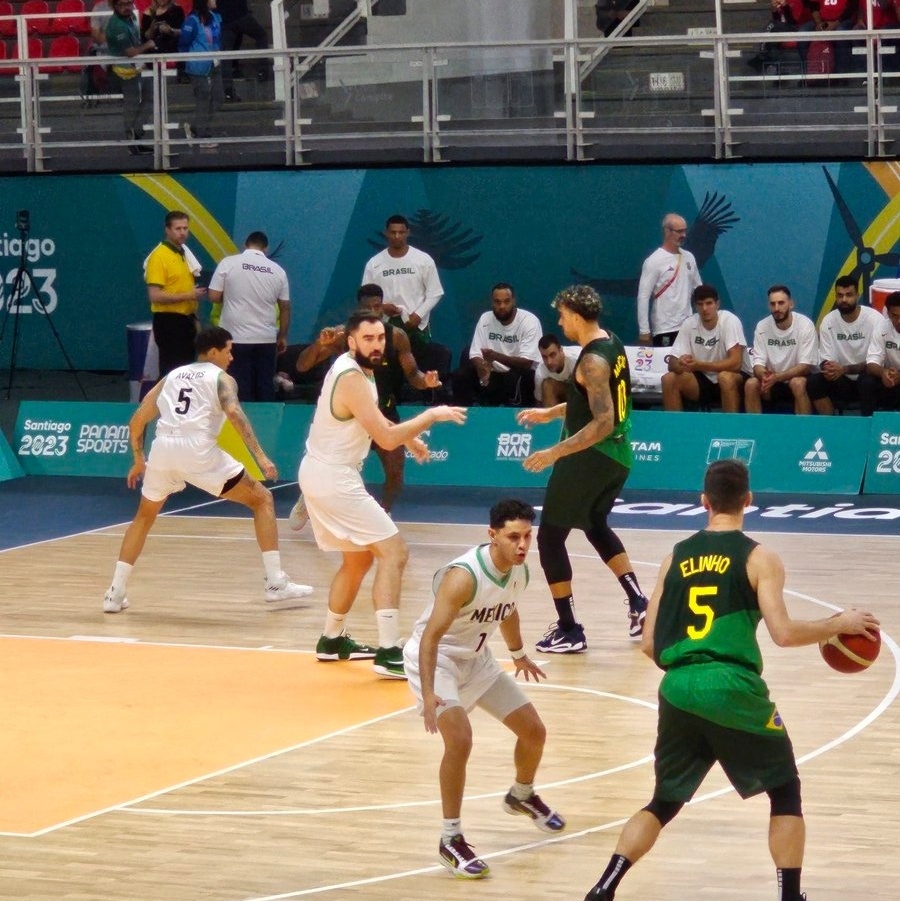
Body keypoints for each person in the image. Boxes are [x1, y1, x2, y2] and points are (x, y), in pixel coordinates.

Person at [582, 459, 880, 901]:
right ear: (748, 501)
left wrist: (689, 672)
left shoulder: (674, 556)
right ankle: (791, 897)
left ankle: (603, 888)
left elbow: (647, 644)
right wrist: (837, 624)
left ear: (703, 502)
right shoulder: (759, 556)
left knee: (663, 802)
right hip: (731, 686)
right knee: (785, 791)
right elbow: (784, 633)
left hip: (678, 686)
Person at [296, 310, 467, 679]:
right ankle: (390, 651)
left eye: (380, 339)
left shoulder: (359, 371)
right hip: (333, 476)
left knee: (357, 561)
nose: (376, 345)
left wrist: (412, 439)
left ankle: (331, 638)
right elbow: (385, 437)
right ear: (352, 340)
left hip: (324, 472)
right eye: (368, 339)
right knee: (394, 552)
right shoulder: (351, 377)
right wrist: (431, 416)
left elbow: (374, 422)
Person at [403, 498, 565, 880]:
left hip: (477, 660)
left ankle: (521, 795)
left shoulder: (520, 572)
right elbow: (429, 638)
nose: (523, 544)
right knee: (459, 740)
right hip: (437, 659)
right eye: (514, 537)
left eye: (528, 536)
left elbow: (506, 610)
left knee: (534, 731)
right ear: (492, 536)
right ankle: (450, 839)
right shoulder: (463, 576)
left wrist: (519, 654)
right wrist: (428, 694)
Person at [102, 327, 313, 614]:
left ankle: (114, 593)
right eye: (228, 350)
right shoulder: (221, 379)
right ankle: (275, 583)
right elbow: (235, 414)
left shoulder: (171, 377)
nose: (231, 356)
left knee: (143, 517)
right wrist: (261, 457)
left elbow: (137, 422)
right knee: (262, 499)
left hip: (163, 449)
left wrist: (139, 459)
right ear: (213, 351)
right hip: (197, 450)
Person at [516, 285, 650, 653]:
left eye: (562, 315)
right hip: (618, 458)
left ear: (575, 315)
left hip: (591, 457)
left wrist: (555, 452)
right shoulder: (612, 342)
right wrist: (551, 412)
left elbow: (602, 421)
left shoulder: (591, 361)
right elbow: (593, 400)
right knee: (594, 524)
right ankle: (639, 603)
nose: (560, 322)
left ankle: (569, 629)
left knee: (549, 538)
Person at [291, 284, 442, 513]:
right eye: (368, 306)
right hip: (350, 415)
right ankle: (309, 496)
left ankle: (384, 513)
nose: (373, 310)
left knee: (395, 470)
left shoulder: (397, 336)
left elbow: (413, 374)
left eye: (377, 306)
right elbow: (302, 366)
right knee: (332, 467)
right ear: (358, 309)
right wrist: (319, 345)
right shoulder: (343, 335)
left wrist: (426, 381)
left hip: (384, 411)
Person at [207, 231, 290, 402]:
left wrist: (232, 296)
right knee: (265, 387)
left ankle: (238, 426)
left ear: (245, 245)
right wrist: (282, 336)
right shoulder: (278, 271)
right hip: (266, 339)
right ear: (265, 249)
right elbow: (285, 307)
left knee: (237, 387)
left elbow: (214, 296)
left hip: (234, 339)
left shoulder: (228, 263)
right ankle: (266, 426)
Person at [361, 214, 444, 364]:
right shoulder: (374, 264)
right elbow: (365, 297)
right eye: (393, 232)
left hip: (416, 326)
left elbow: (435, 293)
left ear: (408, 233)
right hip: (385, 325)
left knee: (419, 371)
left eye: (401, 232)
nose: (397, 236)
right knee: (388, 372)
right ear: (386, 233)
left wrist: (418, 315)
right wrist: (383, 307)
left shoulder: (423, 260)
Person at [451, 282, 543, 407]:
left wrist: (495, 356)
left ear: (514, 301)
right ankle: (463, 418)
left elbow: (527, 363)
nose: (502, 306)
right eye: (497, 302)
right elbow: (475, 352)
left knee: (514, 378)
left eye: (506, 301)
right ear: (492, 302)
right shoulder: (485, 318)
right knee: (460, 376)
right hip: (493, 374)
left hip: (519, 375)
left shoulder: (529, 321)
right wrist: (482, 368)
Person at [661, 283, 747, 413]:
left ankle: (730, 430)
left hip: (736, 379)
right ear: (695, 306)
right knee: (669, 379)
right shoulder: (690, 323)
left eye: (709, 303)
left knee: (725, 377)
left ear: (717, 304)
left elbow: (736, 364)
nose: (705, 308)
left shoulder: (729, 320)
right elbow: (672, 363)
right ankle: (675, 430)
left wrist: (699, 365)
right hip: (703, 380)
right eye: (700, 304)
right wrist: (682, 363)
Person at [808, 275, 883, 415]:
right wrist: (829, 367)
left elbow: (877, 361)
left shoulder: (875, 319)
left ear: (858, 295)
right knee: (814, 382)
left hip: (867, 377)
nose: (844, 300)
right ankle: (830, 427)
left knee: (867, 381)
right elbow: (825, 357)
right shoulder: (828, 321)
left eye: (849, 295)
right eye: (840, 295)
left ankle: (867, 428)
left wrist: (845, 369)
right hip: (841, 380)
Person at [145, 210, 207, 379]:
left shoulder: (183, 254)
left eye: (185, 228)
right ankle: (163, 404)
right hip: (169, 322)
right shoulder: (159, 256)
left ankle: (180, 405)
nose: (182, 233)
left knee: (185, 369)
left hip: (187, 319)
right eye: (177, 228)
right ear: (167, 230)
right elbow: (155, 296)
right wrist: (188, 295)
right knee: (172, 370)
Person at [745, 285, 818, 414]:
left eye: (781, 303)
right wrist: (765, 376)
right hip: (772, 382)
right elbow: (757, 364)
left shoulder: (805, 325)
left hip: (797, 379)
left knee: (797, 383)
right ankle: (754, 431)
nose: (777, 308)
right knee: (751, 384)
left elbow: (805, 366)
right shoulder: (762, 326)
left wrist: (777, 377)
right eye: (772, 304)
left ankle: (804, 430)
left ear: (791, 304)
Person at [636, 213, 702, 348]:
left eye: (685, 230)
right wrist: (644, 331)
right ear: (667, 231)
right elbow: (643, 297)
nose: (684, 235)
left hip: (689, 326)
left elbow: (698, 289)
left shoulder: (689, 257)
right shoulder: (654, 261)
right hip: (665, 328)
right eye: (679, 231)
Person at [105, 0, 157, 154]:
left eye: (129, 3)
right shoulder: (116, 26)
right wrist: (149, 45)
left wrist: (150, 32)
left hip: (139, 66)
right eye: (122, 4)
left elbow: (138, 38)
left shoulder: (132, 18)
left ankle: (137, 133)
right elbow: (130, 52)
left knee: (150, 98)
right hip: (124, 71)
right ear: (115, 6)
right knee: (131, 105)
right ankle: (132, 140)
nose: (127, 7)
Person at [178, 0, 224, 148]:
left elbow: (218, 39)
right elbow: (183, 43)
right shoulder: (191, 20)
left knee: (218, 98)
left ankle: (196, 127)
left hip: (214, 63)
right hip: (197, 65)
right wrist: (187, 61)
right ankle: (201, 135)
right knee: (203, 96)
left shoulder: (215, 17)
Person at [217, 0, 270, 100]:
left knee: (226, 54)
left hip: (225, 21)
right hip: (241, 16)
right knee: (261, 36)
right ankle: (262, 70)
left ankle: (228, 89)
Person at [860, 290, 900, 415]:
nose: (899, 321)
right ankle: (868, 424)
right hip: (889, 379)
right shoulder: (882, 327)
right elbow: (872, 362)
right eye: (895, 316)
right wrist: (883, 373)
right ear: (888, 314)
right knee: (866, 380)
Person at [534, 333, 580, 407]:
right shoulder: (540, 371)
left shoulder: (577, 358)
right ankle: (553, 419)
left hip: (584, 394)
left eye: (552, 355)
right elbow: (539, 402)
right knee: (547, 385)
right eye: (544, 357)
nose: (549, 362)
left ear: (561, 351)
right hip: (563, 397)